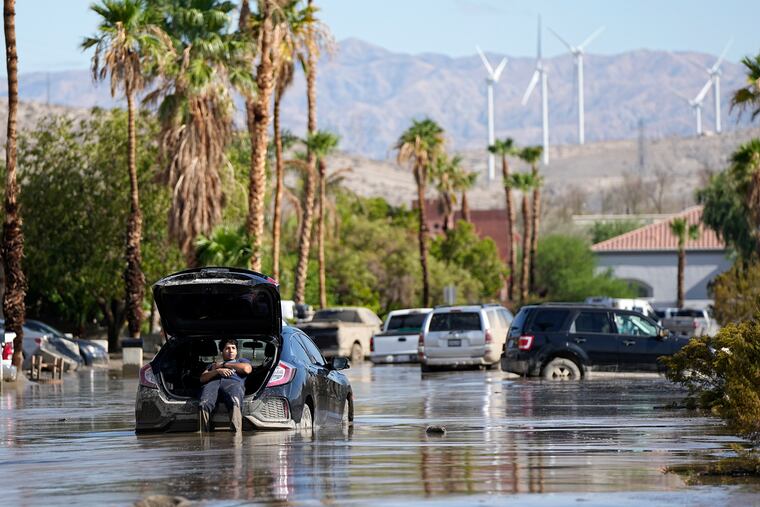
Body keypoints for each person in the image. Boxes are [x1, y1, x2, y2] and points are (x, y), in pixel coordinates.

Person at [198, 338, 252, 432]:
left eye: (233, 348)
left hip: (233, 384)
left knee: (234, 401)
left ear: (236, 351)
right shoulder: (213, 365)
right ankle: (204, 436)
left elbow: (247, 369)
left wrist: (225, 365)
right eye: (227, 348)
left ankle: (236, 437)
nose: (231, 351)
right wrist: (217, 371)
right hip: (213, 384)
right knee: (204, 404)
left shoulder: (241, 361)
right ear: (221, 351)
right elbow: (202, 378)